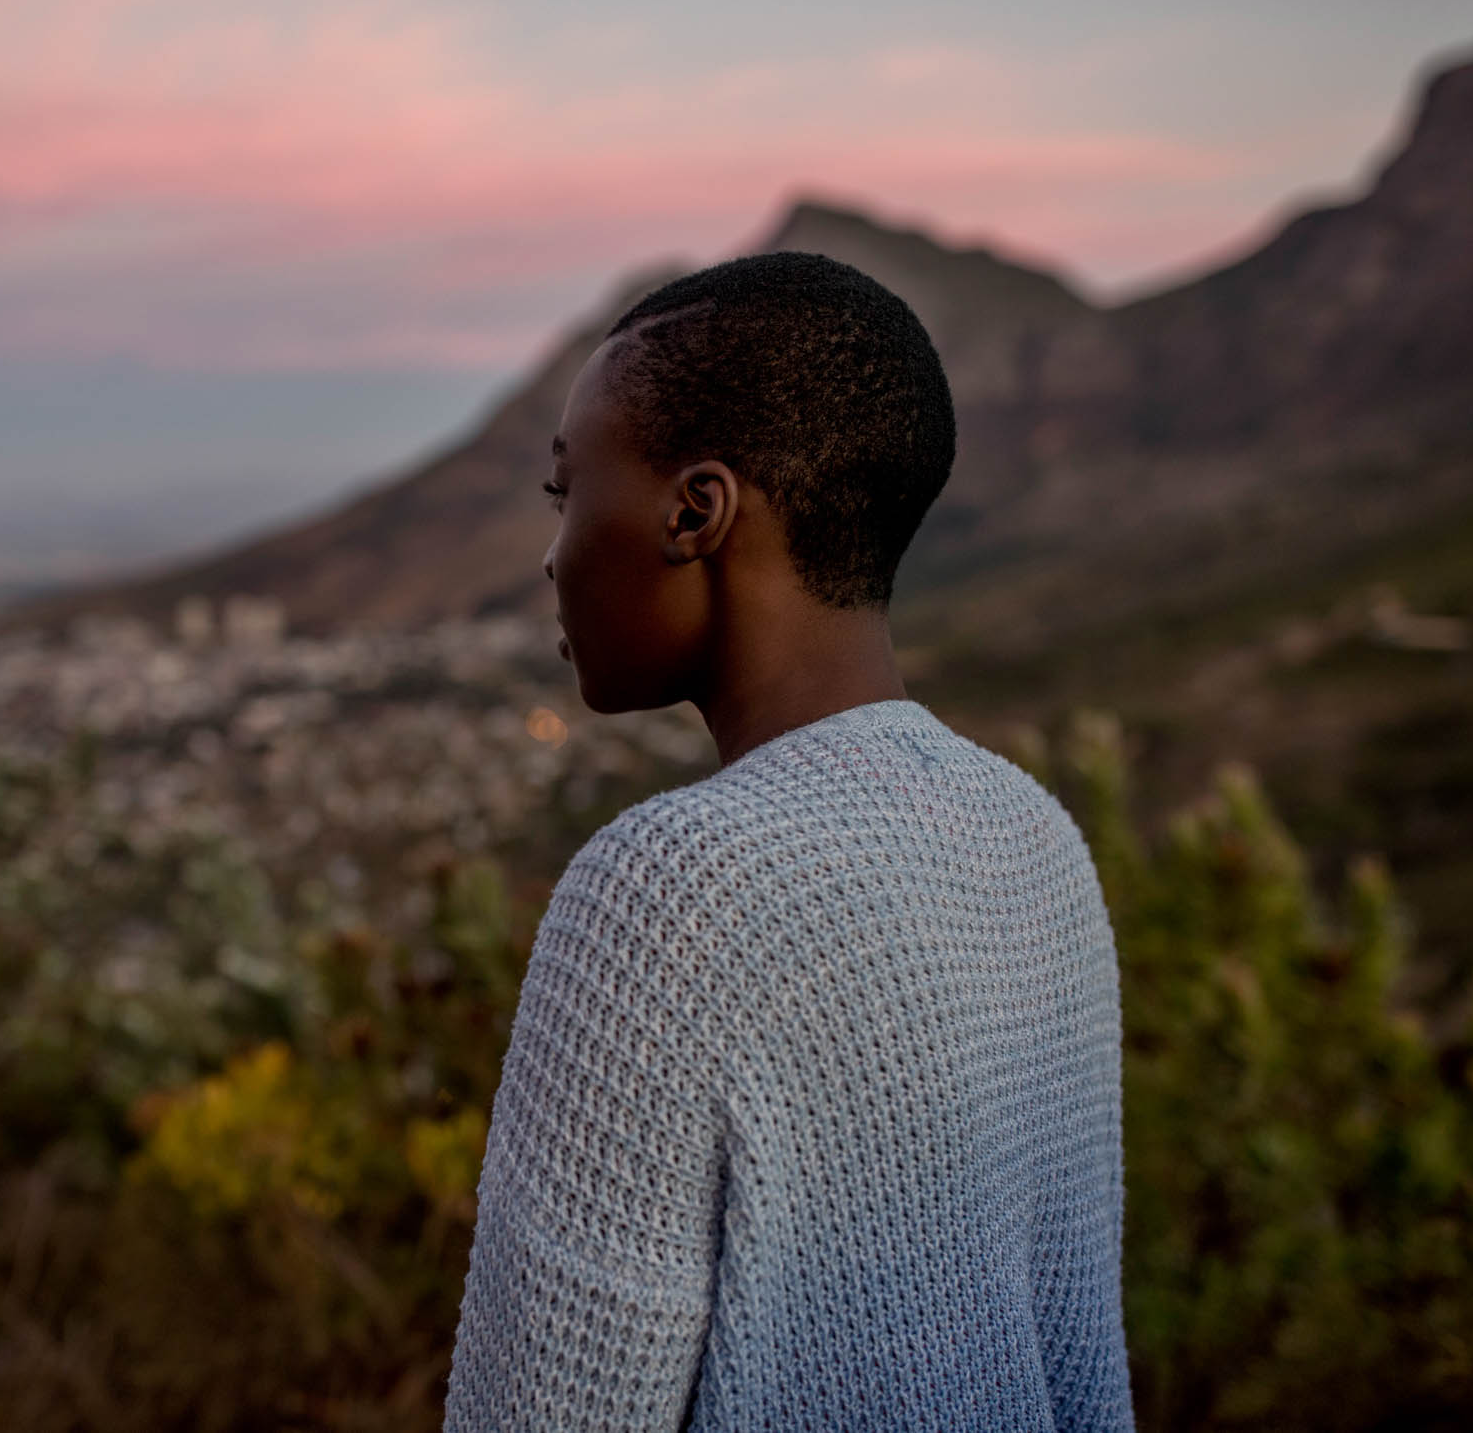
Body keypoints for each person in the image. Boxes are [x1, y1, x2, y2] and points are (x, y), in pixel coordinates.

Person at [443, 252, 1132, 1431]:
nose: (553, 559)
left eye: (568, 497)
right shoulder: (1033, 837)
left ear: (693, 511)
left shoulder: (668, 892)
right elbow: (1077, 1357)